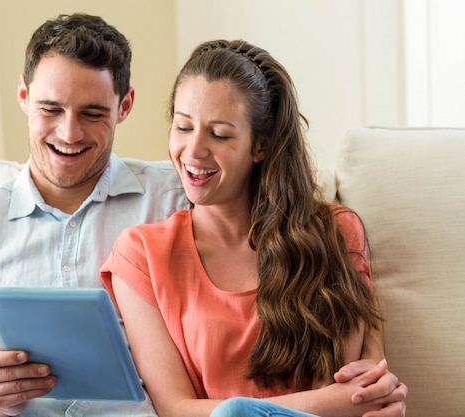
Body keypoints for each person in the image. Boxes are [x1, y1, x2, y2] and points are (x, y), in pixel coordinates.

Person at [0, 13, 190, 417]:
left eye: (93, 113)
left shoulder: (177, 202)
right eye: (51, 108)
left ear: (124, 106)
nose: (69, 133)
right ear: (24, 96)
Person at [100, 39, 407, 417]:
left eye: (220, 134)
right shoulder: (141, 254)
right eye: (183, 127)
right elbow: (176, 408)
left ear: (259, 146)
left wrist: (372, 392)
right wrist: (331, 403)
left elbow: (365, 383)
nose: (193, 150)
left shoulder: (336, 232)